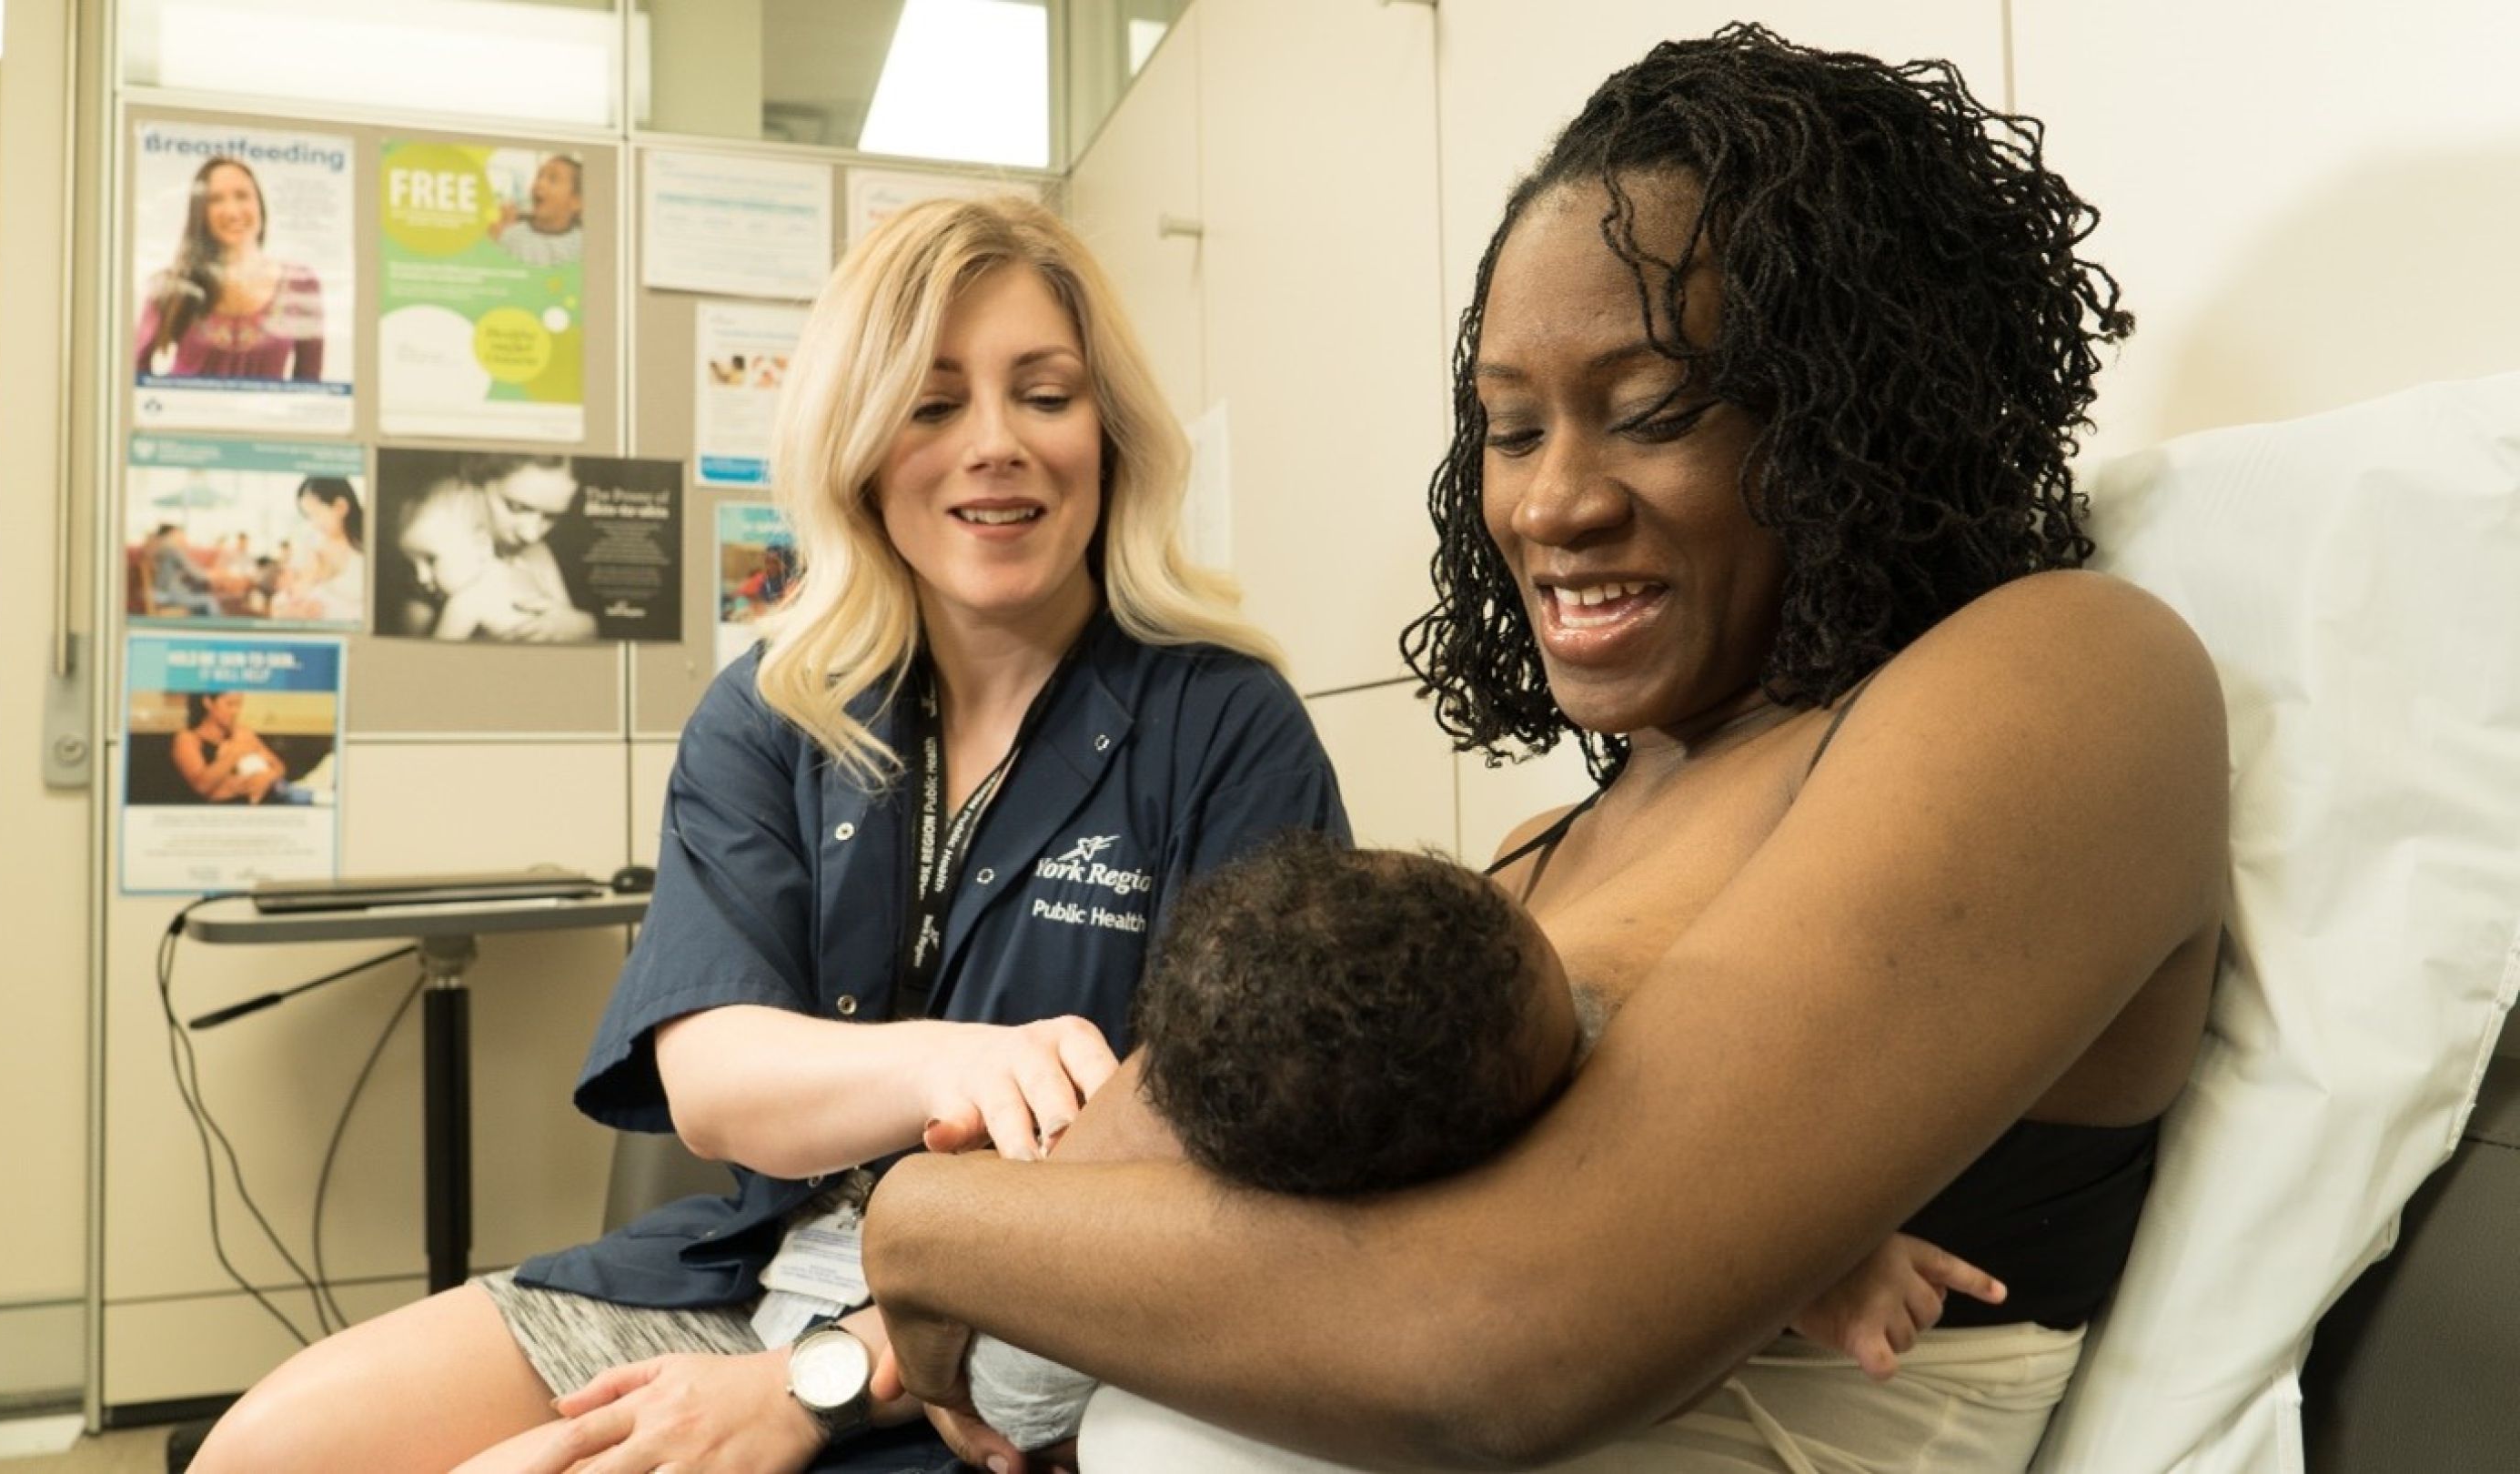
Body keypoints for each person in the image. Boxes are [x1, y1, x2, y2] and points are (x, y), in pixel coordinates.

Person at [863, 24, 2228, 1474]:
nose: (1553, 503)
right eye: (1511, 429)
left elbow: (1494, 1338)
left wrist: (929, 1222)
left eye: (1655, 414)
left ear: (1860, 409)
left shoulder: (2059, 674)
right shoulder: (1546, 845)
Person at [189, 195, 1349, 1474]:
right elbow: (713, 1079)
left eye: (1046, 393)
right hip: (739, 1266)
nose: (996, 445)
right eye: (932, 402)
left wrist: (818, 1381)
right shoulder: (776, 709)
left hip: (1016, 1334)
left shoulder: (1227, 728)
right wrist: (943, 1067)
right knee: (264, 1453)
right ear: (857, 446)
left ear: (1110, 431)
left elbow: (1232, 1173)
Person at [966, 833, 2008, 1457]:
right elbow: (1013, 1394)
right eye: (1576, 1058)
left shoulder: (1477, 1036)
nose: (1598, 1032)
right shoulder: (1171, 1177)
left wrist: (1821, 1249)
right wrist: (1793, 1280)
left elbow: (1710, 1191)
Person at [134, 156, 326, 382]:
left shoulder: (300, 282)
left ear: (260, 204)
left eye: (242, 196)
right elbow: (135, 369)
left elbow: (310, 384)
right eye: (215, 200)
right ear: (200, 212)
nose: (232, 211)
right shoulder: (172, 284)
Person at [393, 482, 539, 641]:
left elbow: (434, 659)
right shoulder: (520, 569)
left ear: (481, 545)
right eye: (411, 565)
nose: (421, 577)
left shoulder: (466, 602)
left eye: (431, 560)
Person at [269, 478, 364, 624]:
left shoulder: (365, 549)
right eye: (308, 516)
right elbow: (283, 600)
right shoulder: (311, 543)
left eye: (316, 514)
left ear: (341, 507)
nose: (313, 524)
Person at [169, 692, 287, 805]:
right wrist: (236, 752)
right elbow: (202, 786)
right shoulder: (188, 738)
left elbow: (279, 767)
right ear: (208, 702)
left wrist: (265, 778)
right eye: (229, 704)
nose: (235, 711)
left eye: (239, 705)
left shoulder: (242, 733)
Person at [491, 154, 586, 268]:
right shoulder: (511, 237)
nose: (539, 184)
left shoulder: (583, 245)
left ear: (576, 202)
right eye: (539, 176)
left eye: (553, 179)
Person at [143, 522, 221, 618]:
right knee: (209, 600)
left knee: (197, 595)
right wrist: (213, 575)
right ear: (172, 534)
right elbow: (195, 572)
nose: (181, 537)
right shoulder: (172, 548)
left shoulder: (161, 548)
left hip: (160, 592)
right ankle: (218, 630)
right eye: (179, 534)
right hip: (169, 593)